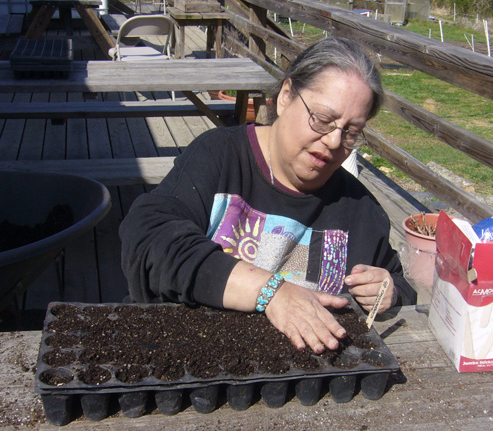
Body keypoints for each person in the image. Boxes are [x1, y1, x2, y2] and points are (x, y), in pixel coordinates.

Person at [119, 36, 410, 355]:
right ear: (286, 97)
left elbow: (399, 285)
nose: (333, 141)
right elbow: (147, 239)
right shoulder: (218, 158)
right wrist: (271, 291)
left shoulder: (359, 210)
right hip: (181, 352)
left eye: (351, 132)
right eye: (323, 120)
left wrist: (390, 291)